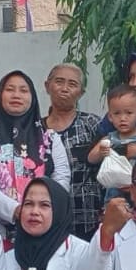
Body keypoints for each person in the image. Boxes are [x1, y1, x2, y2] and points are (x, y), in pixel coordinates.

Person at [0, 70, 71, 236]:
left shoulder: (50, 137)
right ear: (0, 95)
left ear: (33, 98)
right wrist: (14, 210)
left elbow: (61, 176)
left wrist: (43, 209)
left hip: (43, 225)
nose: (16, 95)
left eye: (24, 90)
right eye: (10, 89)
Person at [42, 63, 106, 239]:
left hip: (89, 220)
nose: (64, 88)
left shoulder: (93, 124)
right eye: (59, 82)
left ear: (81, 92)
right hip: (48, 221)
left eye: (72, 84)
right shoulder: (36, 130)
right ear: (47, 86)